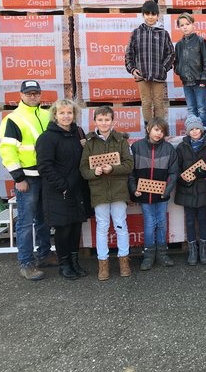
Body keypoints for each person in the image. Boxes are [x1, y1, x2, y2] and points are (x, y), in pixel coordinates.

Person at [0, 80, 54, 281]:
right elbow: (7, 152)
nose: (32, 96)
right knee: (25, 222)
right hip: (27, 180)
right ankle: (26, 263)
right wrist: (18, 178)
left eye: (36, 93)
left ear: (40, 95)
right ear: (21, 95)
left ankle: (45, 254)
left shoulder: (48, 115)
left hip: (45, 177)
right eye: (29, 93)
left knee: (44, 219)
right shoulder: (13, 119)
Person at [36, 99, 90, 280]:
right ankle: (64, 264)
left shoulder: (78, 134)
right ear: (55, 115)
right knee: (63, 229)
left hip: (77, 189)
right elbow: (44, 166)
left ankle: (75, 263)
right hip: (59, 191)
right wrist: (63, 186)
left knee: (75, 227)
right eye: (62, 113)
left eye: (69, 113)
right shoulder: (47, 138)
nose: (66, 116)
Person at [79, 106, 134, 280]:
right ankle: (103, 264)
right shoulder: (89, 143)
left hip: (118, 191)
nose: (104, 123)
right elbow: (83, 168)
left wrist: (112, 169)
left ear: (113, 121)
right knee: (102, 227)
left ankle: (124, 261)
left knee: (120, 225)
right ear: (95, 121)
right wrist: (93, 173)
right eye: (100, 120)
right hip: (99, 191)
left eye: (107, 120)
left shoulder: (121, 140)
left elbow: (129, 165)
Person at [128, 117, 178, 271]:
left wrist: (166, 190)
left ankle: (162, 254)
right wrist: (134, 189)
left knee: (162, 222)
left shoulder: (169, 149)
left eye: (162, 131)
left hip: (161, 195)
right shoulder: (136, 147)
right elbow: (130, 172)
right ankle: (148, 255)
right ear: (149, 129)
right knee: (149, 223)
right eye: (156, 130)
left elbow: (174, 172)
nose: (159, 134)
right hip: (143, 195)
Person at [125, 0, 175, 127]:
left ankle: (160, 129)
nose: (150, 17)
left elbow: (171, 53)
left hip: (158, 75)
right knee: (146, 102)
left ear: (158, 15)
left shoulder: (163, 33)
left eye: (153, 14)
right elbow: (129, 53)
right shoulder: (137, 33)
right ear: (143, 15)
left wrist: (163, 68)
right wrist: (132, 69)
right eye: (147, 14)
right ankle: (149, 129)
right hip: (142, 74)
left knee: (158, 102)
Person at [174, 115, 206, 266]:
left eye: (197, 128)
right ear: (187, 131)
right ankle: (192, 250)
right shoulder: (181, 147)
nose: (195, 131)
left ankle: (203, 249)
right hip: (187, 191)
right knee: (190, 220)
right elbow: (176, 168)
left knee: (203, 219)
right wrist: (182, 179)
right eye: (192, 129)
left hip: (203, 189)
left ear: (202, 130)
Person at [174, 13, 206, 129]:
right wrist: (179, 71)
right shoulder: (179, 45)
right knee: (191, 109)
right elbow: (177, 62)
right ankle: (193, 131)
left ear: (193, 25)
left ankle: (204, 131)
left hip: (199, 81)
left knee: (202, 108)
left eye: (187, 24)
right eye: (182, 25)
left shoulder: (200, 41)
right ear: (179, 27)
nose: (185, 27)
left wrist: (204, 79)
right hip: (186, 82)